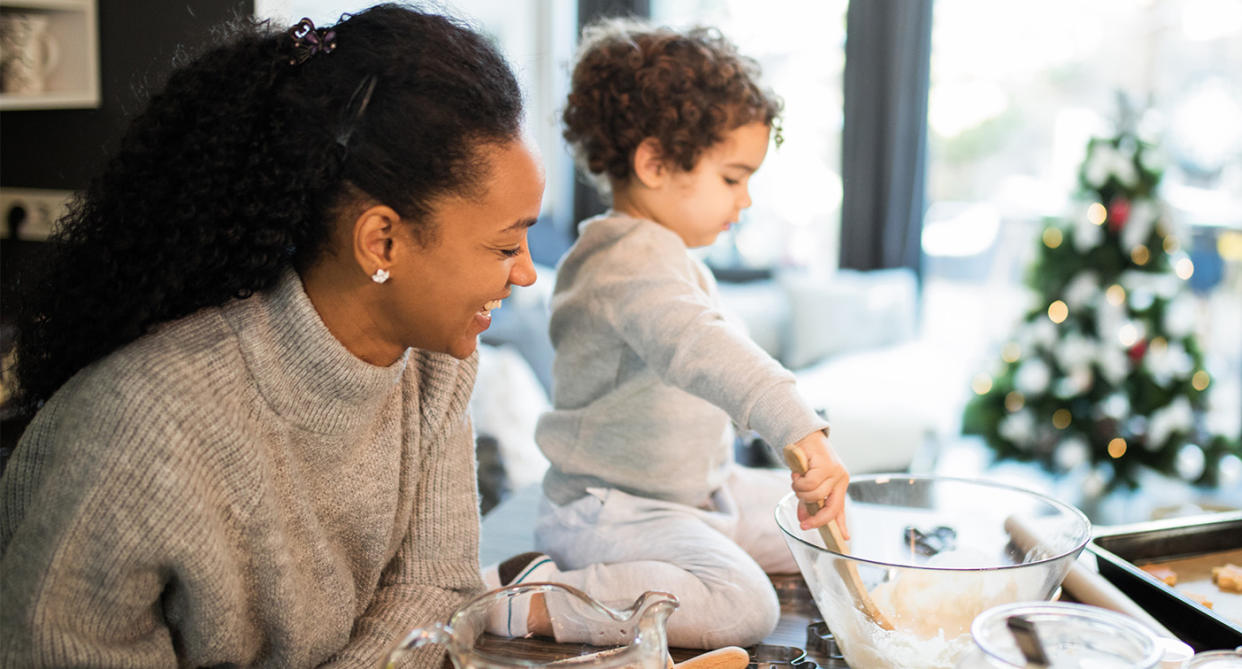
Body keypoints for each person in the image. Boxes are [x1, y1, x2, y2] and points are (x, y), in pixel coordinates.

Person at [0, 5, 543, 667]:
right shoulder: (140, 424)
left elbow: (434, 584)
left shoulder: (436, 363)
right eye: (506, 244)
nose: (526, 271)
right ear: (383, 240)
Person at [483, 18, 850, 650]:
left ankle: (693, 558)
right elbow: (701, 347)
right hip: (612, 509)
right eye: (733, 178)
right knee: (742, 606)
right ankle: (530, 600)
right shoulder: (623, 262)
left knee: (828, 526)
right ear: (653, 162)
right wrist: (796, 421)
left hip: (696, 494)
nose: (746, 201)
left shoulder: (667, 255)